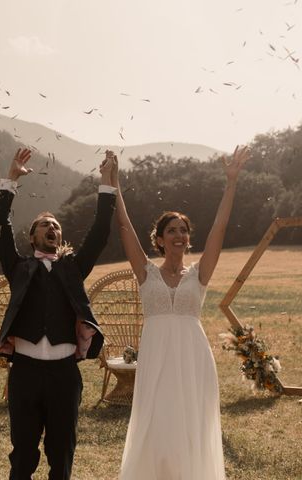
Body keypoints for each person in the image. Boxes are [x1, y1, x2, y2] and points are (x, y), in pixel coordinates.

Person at [113, 146, 249, 480]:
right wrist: (114, 185)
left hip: (192, 358)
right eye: (171, 230)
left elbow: (219, 228)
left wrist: (230, 182)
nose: (179, 235)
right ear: (159, 240)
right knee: (157, 425)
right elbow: (125, 228)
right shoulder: (146, 273)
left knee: (191, 425)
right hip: (157, 357)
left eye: (183, 230)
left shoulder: (198, 274)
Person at [0, 148, 115, 479]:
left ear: (60, 238)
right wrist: (11, 180)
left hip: (64, 375)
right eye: (45, 225)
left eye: (56, 226)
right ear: (32, 236)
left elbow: (101, 231)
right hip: (25, 374)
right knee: (23, 455)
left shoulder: (73, 268)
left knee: (61, 455)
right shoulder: (18, 267)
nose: (52, 228)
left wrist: (106, 183)